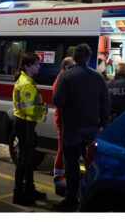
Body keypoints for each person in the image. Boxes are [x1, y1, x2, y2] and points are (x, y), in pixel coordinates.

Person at [52, 43, 110, 211]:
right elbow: (105, 103)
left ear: (75, 58)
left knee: (71, 164)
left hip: (72, 127)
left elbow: (57, 101)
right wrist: (103, 124)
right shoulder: (98, 77)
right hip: (92, 128)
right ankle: (91, 196)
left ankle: (71, 198)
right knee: (91, 162)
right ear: (89, 58)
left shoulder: (67, 76)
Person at [12, 53, 47, 206]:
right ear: (27, 66)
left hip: (25, 124)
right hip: (25, 124)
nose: (39, 66)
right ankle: (19, 194)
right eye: (36, 64)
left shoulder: (28, 80)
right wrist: (42, 109)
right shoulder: (26, 83)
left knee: (29, 159)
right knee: (24, 161)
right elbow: (29, 109)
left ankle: (29, 189)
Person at [52, 56, 75, 197]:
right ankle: (58, 180)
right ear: (66, 67)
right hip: (63, 119)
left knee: (66, 149)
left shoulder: (65, 78)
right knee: (62, 149)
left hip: (67, 119)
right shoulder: (61, 80)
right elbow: (60, 101)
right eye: (72, 67)